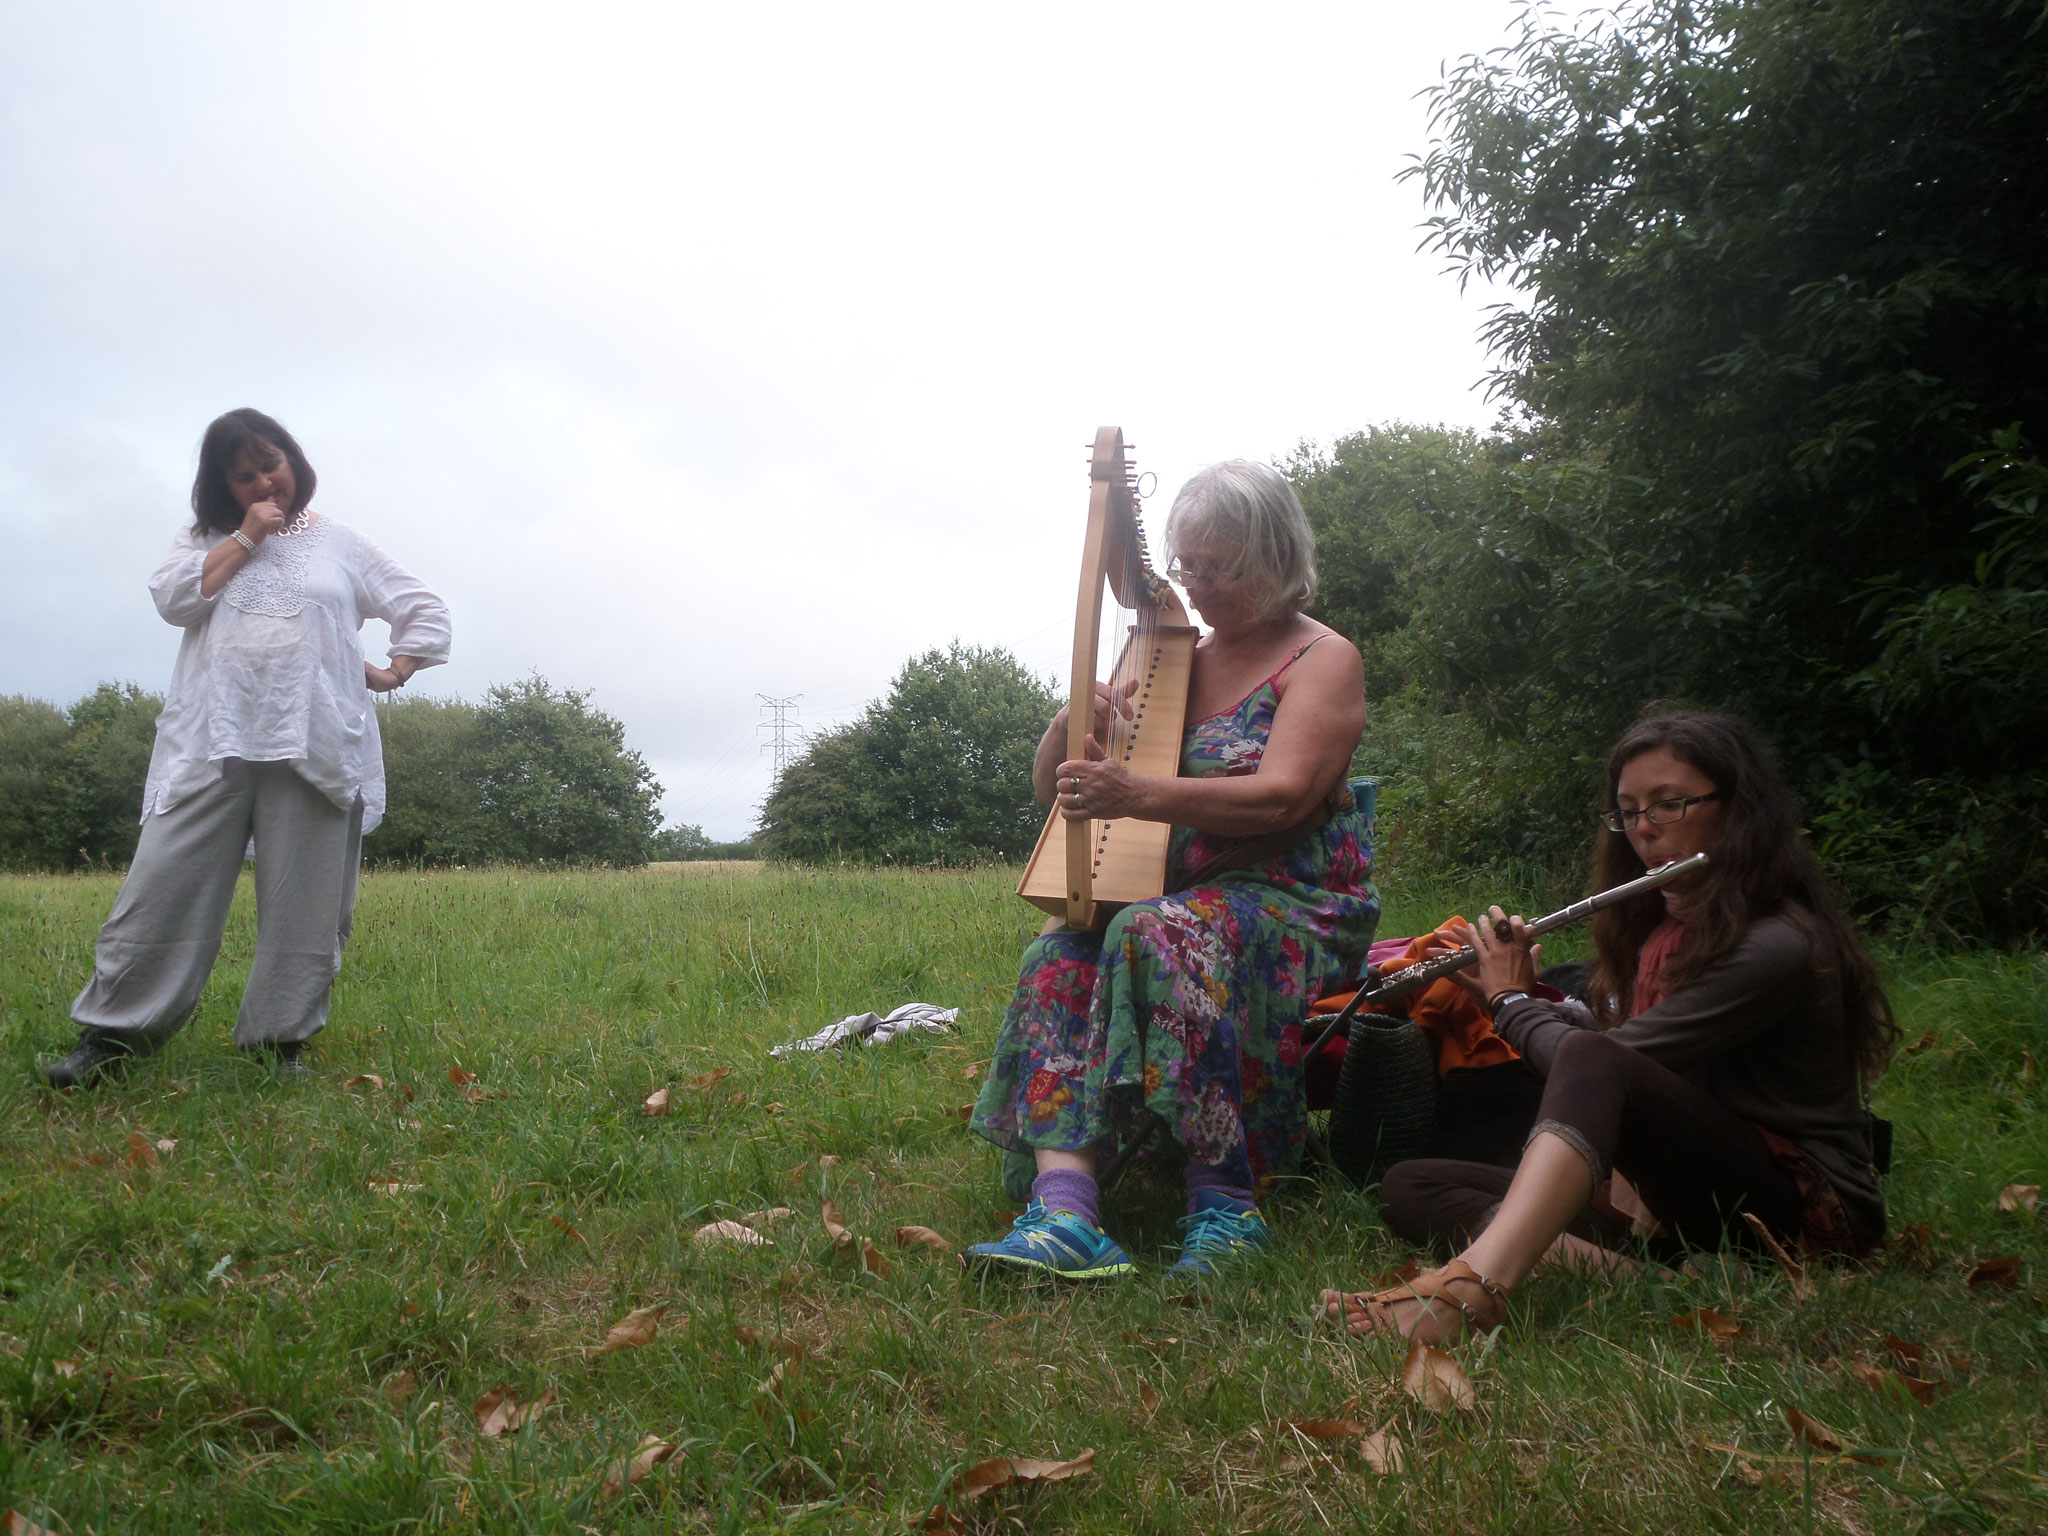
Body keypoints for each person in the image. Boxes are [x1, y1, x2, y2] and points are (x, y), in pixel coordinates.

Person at [1321, 710, 1896, 1342]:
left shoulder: (1777, 945)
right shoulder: (1663, 930)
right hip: (1683, 1197)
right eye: (1629, 812)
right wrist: (1510, 994)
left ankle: (1471, 1290)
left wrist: (1512, 1002)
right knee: (1412, 1183)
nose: (1645, 831)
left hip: (1796, 1208)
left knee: (1593, 1058)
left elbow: (1607, 1061)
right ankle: (1663, 1282)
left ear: (1737, 809)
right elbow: (1618, 1034)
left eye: (1669, 805)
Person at [964, 460, 1379, 1280]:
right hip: (1179, 902)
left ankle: (1224, 1207)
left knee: (1154, 930)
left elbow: (1284, 798)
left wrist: (1138, 788)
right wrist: (1069, 725)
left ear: (1277, 558)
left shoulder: (1323, 658)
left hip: (1293, 902)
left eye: (1219, 568)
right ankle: (1067, 1210)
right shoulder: (1167, 654)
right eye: (1187, 565)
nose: (1197, 585)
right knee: (1059, 950)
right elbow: (1060, 790)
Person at [40, 408, 451, 1088]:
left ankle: (277, 1044)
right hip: (213, 737)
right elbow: (174, 599)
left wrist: (395, 668)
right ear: (223, 485)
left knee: (308, 905)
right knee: (161, 885)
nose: (265, 481)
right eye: (245, 475)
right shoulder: (204, 540)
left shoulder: (341, 543)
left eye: (273, 465)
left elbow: (425, 606)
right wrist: (245, 538)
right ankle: (112, 1038)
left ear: (294, 462)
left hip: (316, 740)